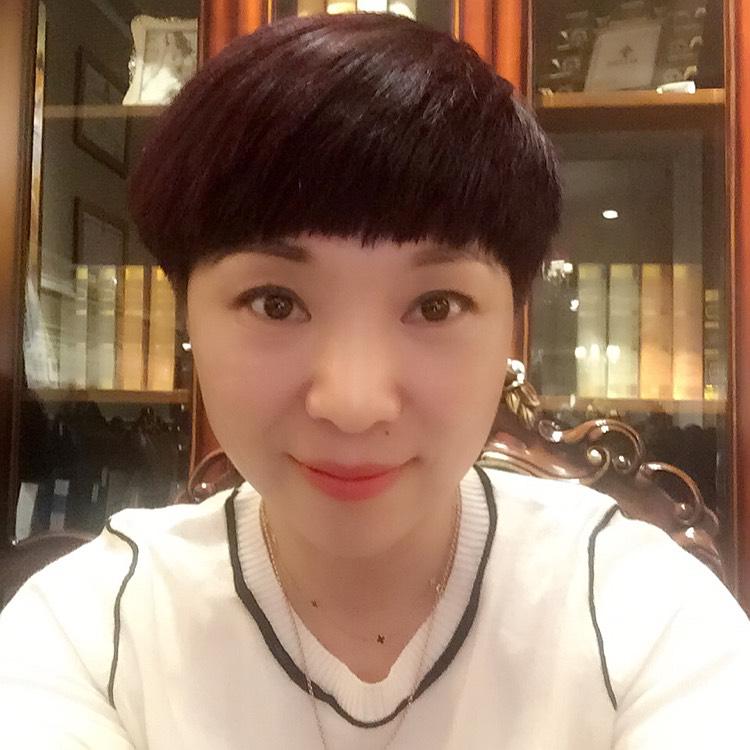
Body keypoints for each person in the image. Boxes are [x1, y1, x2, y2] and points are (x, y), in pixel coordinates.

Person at [1, 12, 749, 749]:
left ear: (513, 326)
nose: (353, 405)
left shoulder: (642, 616)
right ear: (185, 312)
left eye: (435, 305)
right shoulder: (90, 636)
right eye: (276, 303)